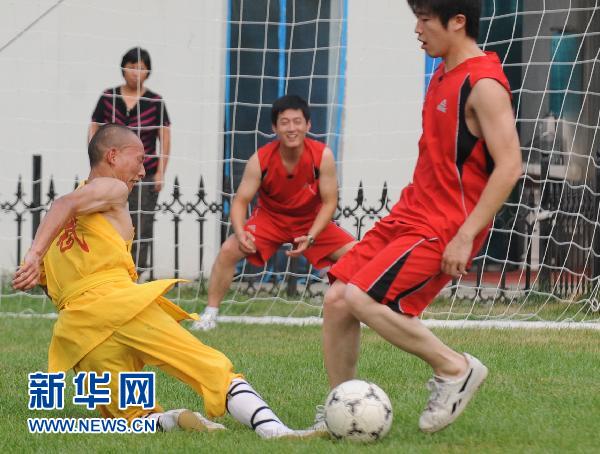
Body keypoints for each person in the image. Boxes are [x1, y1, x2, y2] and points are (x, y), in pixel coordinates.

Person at [13, 124, 319, 439]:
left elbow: (50, 286)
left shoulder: (55, 230)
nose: (143, 172)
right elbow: (64, 203)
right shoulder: (111, 188)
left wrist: (35, 260)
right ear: (113, 155)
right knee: (209, 366)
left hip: (78, 334)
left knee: (130, 418)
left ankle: (175, 419)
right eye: (140, 159)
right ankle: (276, 431)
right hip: (119, 307)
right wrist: (35, 255)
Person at [313, 0, 522, 434]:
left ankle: (454, 368)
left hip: (443, 227)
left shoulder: (483, 84)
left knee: (360, 298)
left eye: (426, 19)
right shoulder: (442, 73)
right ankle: (340, 408)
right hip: (411, 212)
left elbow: (510, 166)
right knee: (337, 300)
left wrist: (464, 236)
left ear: (458, 21)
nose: (418, 29)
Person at [191, 95, 355, 331]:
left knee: (358, 255)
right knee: (228, 249)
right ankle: (210, 313)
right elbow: (240, 201)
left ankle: (361, 310)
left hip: (310, 221)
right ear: (274, 127)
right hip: (271, 220)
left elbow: (330, 202)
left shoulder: (323, 156)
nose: (291, 128)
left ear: (308, 125)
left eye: (297, 121)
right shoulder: (260, 159)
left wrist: (311, 236)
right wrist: (240, 232)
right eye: (285, 122)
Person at [89, 47, 170, 278]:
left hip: (143, 174)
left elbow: (165, 137)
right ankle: (108, 272)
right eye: (132, 67)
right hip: (110, 173)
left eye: (141, 68)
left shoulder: (155, 101)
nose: (136, 73)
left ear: (148, 72)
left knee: (141, 225)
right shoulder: (108, 97)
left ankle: (134, 274)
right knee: (106, 221)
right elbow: (94, 129)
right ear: (124, 69)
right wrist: (96, 164)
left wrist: (161, 172)